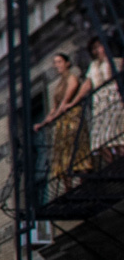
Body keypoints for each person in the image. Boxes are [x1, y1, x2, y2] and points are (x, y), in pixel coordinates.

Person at [34, 51, 90, 182]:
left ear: (67, 63)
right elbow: (54, 107)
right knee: (63, 153)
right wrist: (43, 122)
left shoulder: (72, 78)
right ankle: (68, 185)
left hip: (72, 118)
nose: (56, 65)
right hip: (62, 121)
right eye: (55, 63)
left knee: (76, 148)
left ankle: (83, 181)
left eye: (59, 62)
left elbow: (65, 101)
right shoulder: (59, 84)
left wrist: (53, 118)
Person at [85, 36, 122, 155]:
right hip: (99, 101)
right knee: (100, 139)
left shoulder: (116, 61)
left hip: (113, 97)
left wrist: (106, 59)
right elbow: (87, 84)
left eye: (98, 46)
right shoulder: (93, 66)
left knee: (118, 133)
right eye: (93, 48)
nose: (96, 50)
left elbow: (112, 75)